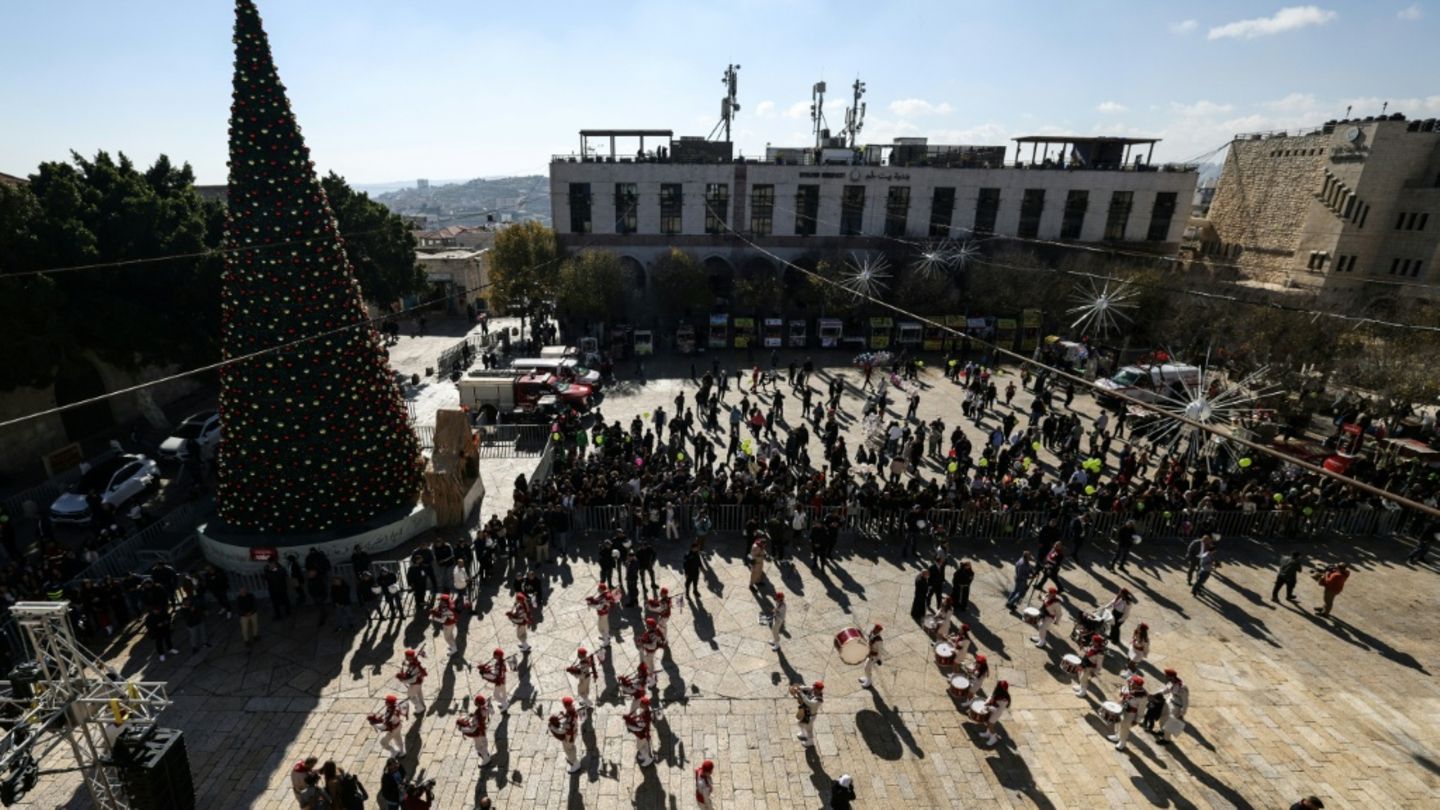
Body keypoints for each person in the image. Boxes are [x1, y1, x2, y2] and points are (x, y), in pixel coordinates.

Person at [1107, 675, 1148, 751]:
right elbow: (1124, 690)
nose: (1131, 685)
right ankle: (1118, 736)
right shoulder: (1130, 687)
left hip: (1130, 713)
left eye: (1134, 684)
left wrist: (1137, 720)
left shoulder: (1142, 697)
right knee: (1118, 723)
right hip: (1123, 708)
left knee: (1125, 728)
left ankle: (1122, 742)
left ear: (1138, 686)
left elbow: (1141, 710)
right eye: (1132, 683)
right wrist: (1122, 693)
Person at [1151, 668, 1189, 744]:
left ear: (1171, 677)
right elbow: (1165, 690)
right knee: (1162, 718)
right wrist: (1155, 694)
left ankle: (1166, 739)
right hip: (1169, 702)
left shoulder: (1182, 687)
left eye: (1166, 676)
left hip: (1176, 707)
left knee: (1169, 723)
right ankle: (1162, 731)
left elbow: (1185, 702)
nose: (1165, 677)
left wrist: (1182, 713)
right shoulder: (1171, 683)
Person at [549, 697, 585, 774]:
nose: (564, 707)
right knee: (567, 747)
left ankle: (575, 764)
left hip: (570, 736)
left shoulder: (570, 720)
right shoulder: (572, 710)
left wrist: (552, 728)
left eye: (565, 705)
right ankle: (571, 758)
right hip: (573, 732)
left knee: (569, 748)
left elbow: (561, 731)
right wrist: (563, 716)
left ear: (567, 706)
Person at [457, 693, 494, 766]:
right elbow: (492, 712)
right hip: (482, 729)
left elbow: (472, 729)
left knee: (478, 747)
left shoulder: (478, 715)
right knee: (483, 743)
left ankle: (486, 760)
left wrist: (463, 729)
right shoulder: (485, 709)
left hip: (478, 731)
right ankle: (486, 754)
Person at [586, 584, 619, 650]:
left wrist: (591, 604)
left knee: (601, 628)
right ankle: (607, 637)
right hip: (604, 614)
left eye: (598, 588)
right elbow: (598, 601)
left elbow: (600, 606)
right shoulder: (605, 594)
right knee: (605, 627)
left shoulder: (606, 597)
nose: (598, 589)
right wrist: (592, 601)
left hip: (603, 615)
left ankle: (606, 641)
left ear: (601, 589)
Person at [792, 680, 824, 747]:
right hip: (805, 712)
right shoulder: (813, 689)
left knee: (809, 729)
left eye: (815, 687)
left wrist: (801, 693)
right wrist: (799, 688)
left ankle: (810, 741)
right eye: (814, 687)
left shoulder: (818, 700)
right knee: (800, 723)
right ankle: (803, 733)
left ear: (818, 690)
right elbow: (807, 687)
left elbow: (809, 702)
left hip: (811, 716)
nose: (813, 688)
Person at [979, 680, 1011, 747]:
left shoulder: (1003, 699)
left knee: (991, 725)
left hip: (996, 713)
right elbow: (992, 696)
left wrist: (988, 707)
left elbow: (995, 708)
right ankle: (987, 733)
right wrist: (987, 701)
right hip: (994, 710)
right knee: (988, 722)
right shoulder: (998, 693)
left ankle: (994, 738)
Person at [627, 696, 656, 767]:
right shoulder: (647, 710)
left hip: (643, 734)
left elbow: (639, 728)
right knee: (644, 746)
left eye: (641, 704)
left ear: (644, 706)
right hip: (644, 733)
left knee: (641, 747)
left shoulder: (645, 717)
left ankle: (648, 759)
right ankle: (644, 755)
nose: (640, 704)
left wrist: (631, 727)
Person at [396, 649, 427, 716]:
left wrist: (403, 681)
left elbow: (413, 679)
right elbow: (411, 668)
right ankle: (422, 704)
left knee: (411, 696)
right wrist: (406, 665)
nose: (405, 657)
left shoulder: (414, 666)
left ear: (410, 657)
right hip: (419, 682)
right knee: (419, 693)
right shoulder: (414, 662)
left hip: (414, 684)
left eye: (406, 656)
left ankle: (420, 708)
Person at [859, 623, 884, 689]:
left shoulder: (879, 640)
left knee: (867, 668)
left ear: (879, 631)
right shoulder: (872, 634)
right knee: (866, 667)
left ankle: (869, 681)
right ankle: (867, 678)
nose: (875, 630)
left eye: (877, 630)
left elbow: (880, 651)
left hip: (874, 656)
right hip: (869, 653)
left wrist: (879, 659)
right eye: (875, 628)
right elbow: (869, 641)